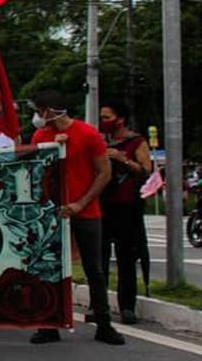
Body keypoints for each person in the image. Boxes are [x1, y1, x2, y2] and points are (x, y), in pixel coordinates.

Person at [28, 91, 125, 346]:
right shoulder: (41, 136)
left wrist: (81, 202)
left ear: (50, 111)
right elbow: (37, 174)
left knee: (94, 269)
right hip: (53, 214)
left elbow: (104, 172)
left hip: (86, 211)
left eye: (39, 111)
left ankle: (104, 324)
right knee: (49, 268)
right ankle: (49, 324)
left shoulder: (87, 133)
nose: (37, 118)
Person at [96, 100, 151, 325]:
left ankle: (127, 306)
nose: (103, 122)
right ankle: (99, 306)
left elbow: (145, 171)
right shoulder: (99, 140)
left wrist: (123, 160)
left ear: (121, 119)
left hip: (127, 207)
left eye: (107, 117)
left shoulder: (136, 142)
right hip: (101, 206)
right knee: (99, 260)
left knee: (127, 259)